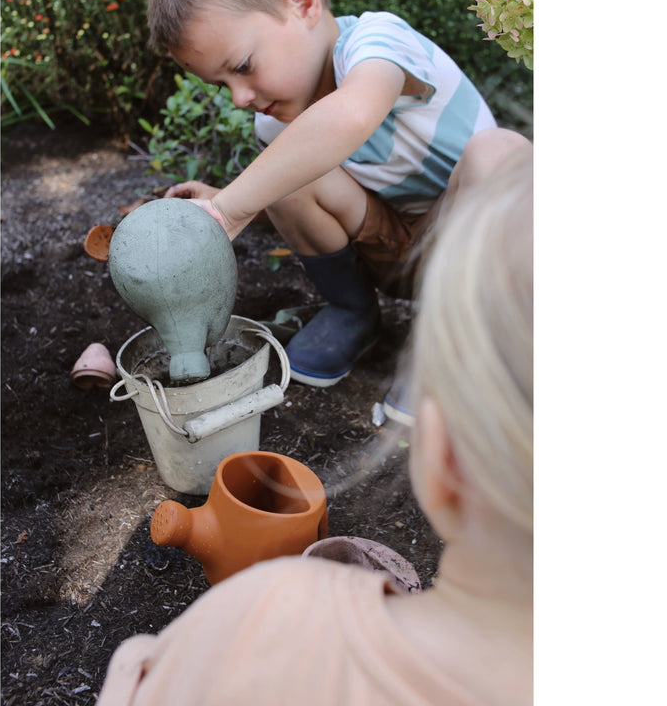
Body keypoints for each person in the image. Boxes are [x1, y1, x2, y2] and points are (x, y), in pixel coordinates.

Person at [96, 144, 533, 706]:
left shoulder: (260, 618)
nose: (240, 97)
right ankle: (352, 314)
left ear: (444, 459)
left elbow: (140, 679)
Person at [147, 0, 527, 404]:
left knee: (500, 153)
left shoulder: (377, 42)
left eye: (242, 66)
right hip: (393, 254)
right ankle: (352, 313)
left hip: (475, 255)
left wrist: (229, 208)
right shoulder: (276, 121)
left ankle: (466, 346)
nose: (239, 96)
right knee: (288, 167)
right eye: (223, 83)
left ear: (302, 2)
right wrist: (225, 200)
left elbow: (350, 117)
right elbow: (297, 193)